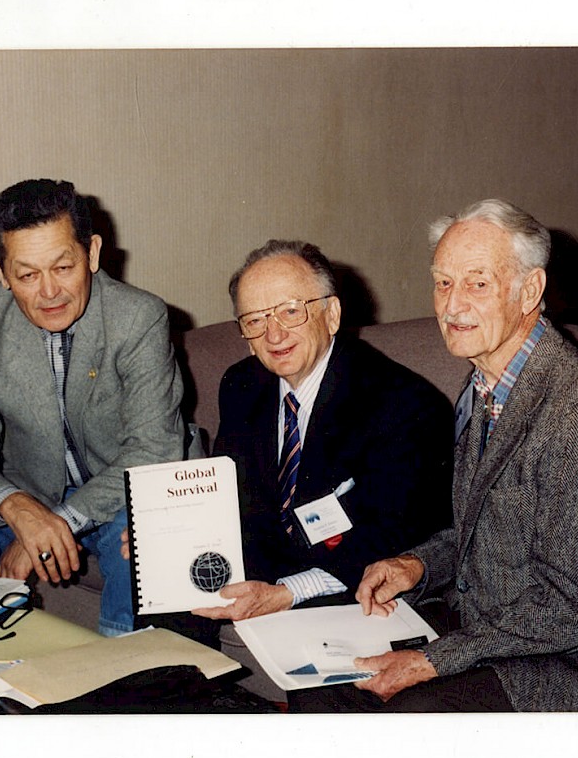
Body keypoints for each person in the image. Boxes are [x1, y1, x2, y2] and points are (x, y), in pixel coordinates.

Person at [291, 199, 578, 712]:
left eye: (477, 283)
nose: (452, 306)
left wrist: (433, 661)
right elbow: (488, 533)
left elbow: (573, 603)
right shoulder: (483, 385)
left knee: (414, 712)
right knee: (322, 680)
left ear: (529, 291)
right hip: (496, 626)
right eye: (443, 283)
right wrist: (416, 565)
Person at [0, 179, 184, 636]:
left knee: (142, 536)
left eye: (63, 267)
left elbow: (152, 451)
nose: (49, 292)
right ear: (1, 272)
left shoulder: (139, 317)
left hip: (119, 494)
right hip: (30, 488)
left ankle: (123, 667)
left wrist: (54, 523)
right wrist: (17, 508)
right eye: (27, 275)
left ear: (92, 253)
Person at [188, 239, 450, 629]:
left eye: (291, 311)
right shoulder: (241, 384)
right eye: (255, 320)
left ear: (332, 315)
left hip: (348, 582)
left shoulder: (401, 401)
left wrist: (286, 592)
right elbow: (230, 495)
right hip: (263, 566)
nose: (274, 335)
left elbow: (395, 533)